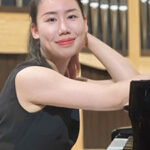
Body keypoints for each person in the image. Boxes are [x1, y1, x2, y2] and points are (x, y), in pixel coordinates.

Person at [0, 0, 150, 150]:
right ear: (35, 31)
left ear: (84, 22)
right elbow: (116, 96)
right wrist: (77, 34)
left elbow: (137, 88)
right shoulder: (31, 78)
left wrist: (85, 37)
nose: (64, 28)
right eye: (51, 19)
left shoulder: (62, 81)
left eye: (71, 17)